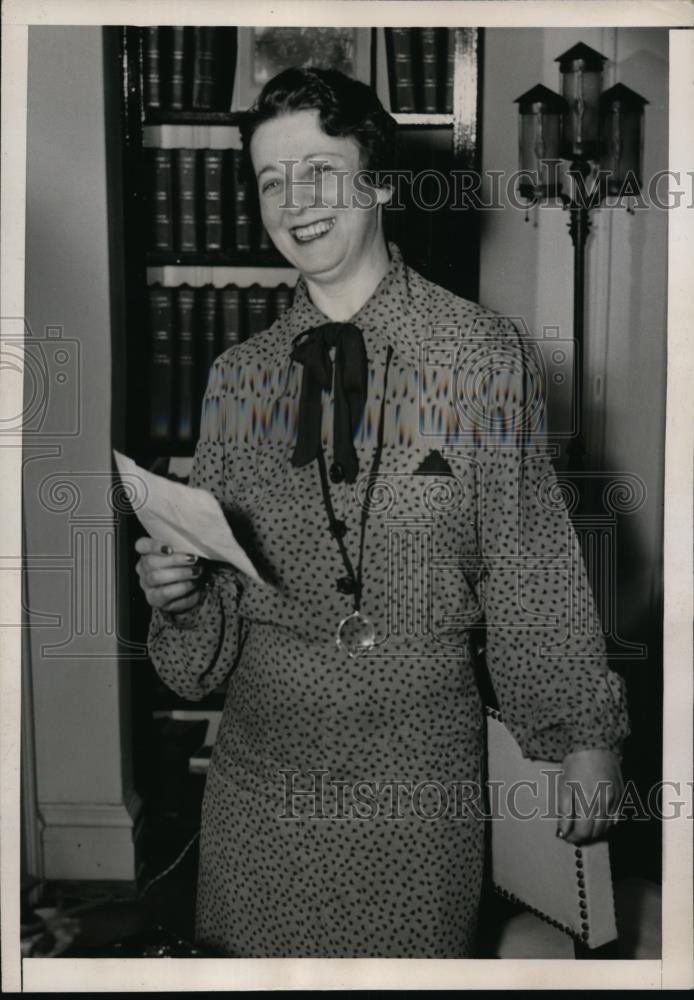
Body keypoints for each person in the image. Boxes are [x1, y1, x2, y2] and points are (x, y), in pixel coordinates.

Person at [134, 67, 629, 958]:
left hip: (416, 779)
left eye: (319, 170)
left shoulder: (479, 355)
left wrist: (584, 738)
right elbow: (203, 644)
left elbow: (527, 560)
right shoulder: (237, 379)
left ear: (380, 181)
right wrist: (178, 595)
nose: (295, 202)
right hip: (260, 782)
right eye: (270, 180)